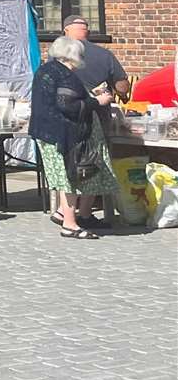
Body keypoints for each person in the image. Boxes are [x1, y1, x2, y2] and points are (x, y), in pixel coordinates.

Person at [29, 35, 119, 239]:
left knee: (69, 175)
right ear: (73, 55)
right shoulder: (65, 74)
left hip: (47, 132)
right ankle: (70, 224)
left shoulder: (46, 70)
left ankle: (74, 216)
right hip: (62, 134)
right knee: (68, 177)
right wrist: (97, 101)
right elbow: (66, 104)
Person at [60, 14, 130, 223]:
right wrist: (122, 94)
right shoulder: (103, 54)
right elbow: (122, 85)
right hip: (98, 118)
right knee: (95, 163)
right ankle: (85, 212)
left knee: (67, 166)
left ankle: (64, 212)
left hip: (68, 118)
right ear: (87, 32)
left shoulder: (58, 56)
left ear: (66, 32)